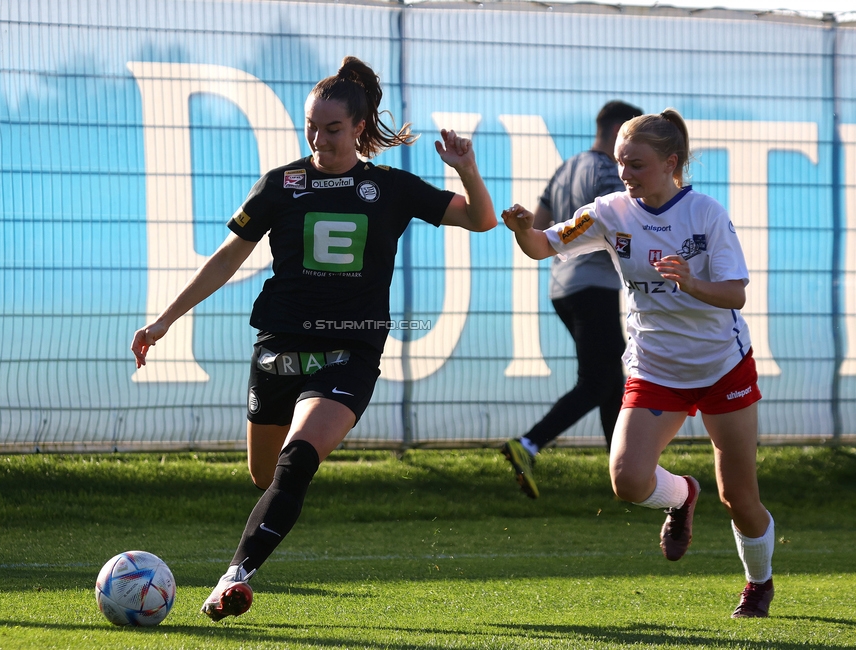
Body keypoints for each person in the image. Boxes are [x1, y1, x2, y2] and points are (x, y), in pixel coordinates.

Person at [130, 56, 496, 622]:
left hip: (351, 352)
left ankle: (235, 577)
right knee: (265, 473)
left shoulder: (391, 188)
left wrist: (466, 168)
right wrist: (166, 319)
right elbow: (230, 256)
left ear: (359, 126)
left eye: (332, 128)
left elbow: (480, 219)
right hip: (278, 348)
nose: (320, 139)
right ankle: (260, 536)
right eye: (312, 127)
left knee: (297, 462)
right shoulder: (281, 184)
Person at [501, 109, 775, 618]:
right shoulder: (609, 211)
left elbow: (735, 293)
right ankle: (682, 495)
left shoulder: (706, 213)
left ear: (671, 163)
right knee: (628, 480)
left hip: (722, 368)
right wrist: (522, 230)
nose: (625, 173)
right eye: (621, 161)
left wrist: (690, 282)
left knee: (738, 497)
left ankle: (758, 583)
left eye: (637, 164)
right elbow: (542, 246)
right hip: (655, 369)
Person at [501, 100, 643, 499]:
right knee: (598, 380)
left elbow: (543, 225)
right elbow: (619, 229)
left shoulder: (566, 167)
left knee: (610, 381)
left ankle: (624, 469)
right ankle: (527, 444)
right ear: (619, 132)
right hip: (593, 286)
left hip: (562, 287)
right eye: (635, 137)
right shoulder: (606, 172)